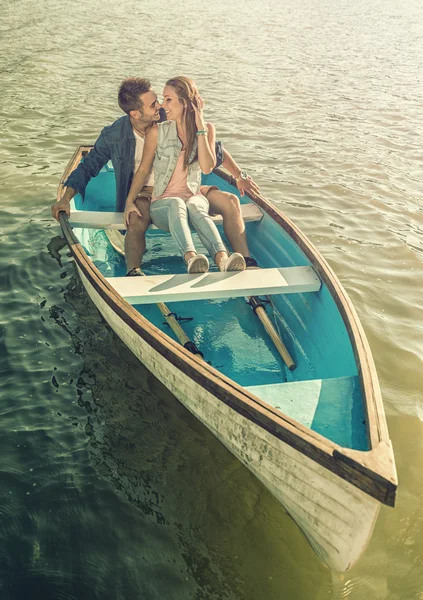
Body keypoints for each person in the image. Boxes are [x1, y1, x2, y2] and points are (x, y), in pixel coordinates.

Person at [52, 77, 260, 273]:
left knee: (231, 201)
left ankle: (245, 261)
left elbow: (213, 151)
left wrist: (239, 175)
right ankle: (134, 272)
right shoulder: (115, 135)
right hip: (147, 191)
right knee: (136, 219)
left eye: (160, 101)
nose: (160, 106)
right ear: (135, 113)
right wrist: (65, 199)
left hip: (186, 187)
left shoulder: (169, 117)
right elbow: (88, 166)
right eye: (153, 105)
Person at [124, 76, 246, 274]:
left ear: (186, 103)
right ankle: (192, 259)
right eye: (163, 99)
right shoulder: (157, 132)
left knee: (196, 204)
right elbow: (144, 169)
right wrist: (130, 201)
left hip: (192, 196)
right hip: (163, 205)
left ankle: (223, 260)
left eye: (168, 99)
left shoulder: (206, 130)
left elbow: (207, 168)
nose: (163, 105)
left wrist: (200, 126)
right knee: (177, 203)